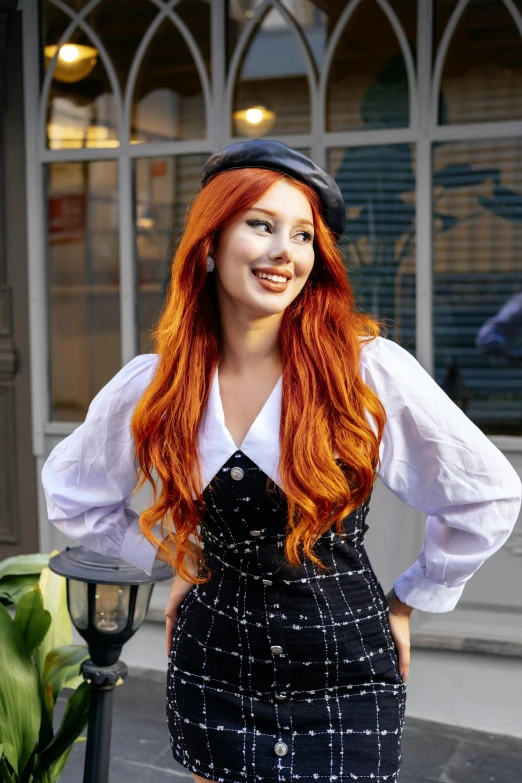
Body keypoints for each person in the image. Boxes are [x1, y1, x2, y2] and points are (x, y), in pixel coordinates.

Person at [41, 139, 522, 783]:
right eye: (260, 226)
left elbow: (485, 495)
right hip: (213, 664)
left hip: (345, 668)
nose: (283, 253)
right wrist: (176, 558)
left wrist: (411, 601)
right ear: (209, 243)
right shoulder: (156, 382)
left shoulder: (366, 370)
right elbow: (73, 492)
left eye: (302, 237)